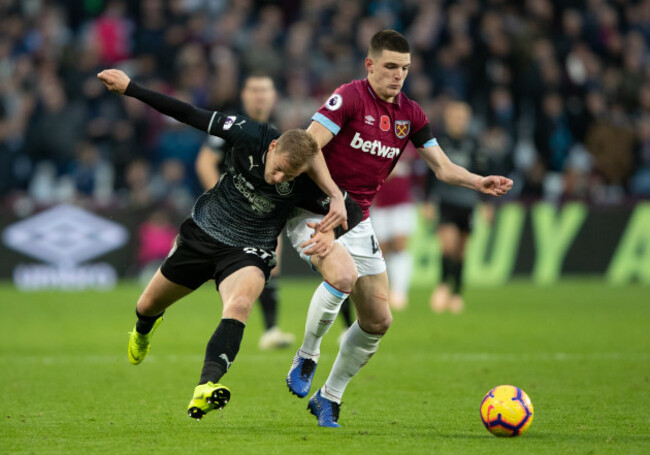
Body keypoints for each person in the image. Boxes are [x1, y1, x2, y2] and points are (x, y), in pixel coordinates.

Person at [97, 69, 357, 421]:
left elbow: (355, 213)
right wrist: (132, 89)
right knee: (146, 305)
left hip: (250, 249)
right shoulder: (250, 133)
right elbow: (189, 113)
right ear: (273, 146)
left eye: (288, 177)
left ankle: (206, 386)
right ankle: (144, 329)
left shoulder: (308, 185)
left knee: (238, 306)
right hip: (203, 232)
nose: (278, 179)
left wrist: (334, 222)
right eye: (278, 168)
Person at [284, 30, 513, 428]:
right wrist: (333, 196)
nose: (398, 75)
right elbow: (309, 144)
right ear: (370, 64)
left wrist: (478, 182)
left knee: (378, 321)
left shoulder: (411, 114)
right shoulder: (349, 97)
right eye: (390, 66)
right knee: (341, 277)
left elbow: (442, 167)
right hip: (315, 208)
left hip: (358, 218)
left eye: (404, 69)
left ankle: (329, 397)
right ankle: (307, 354)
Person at [194, 73, 295, 350]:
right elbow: (205, 162)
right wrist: (226, 199)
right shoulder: (233, 125)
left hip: (261, 211)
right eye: (254, 89)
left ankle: (271, 330)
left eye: (265, 90)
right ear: (244, 95)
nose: (260, 95)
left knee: (270, 259)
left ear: (273, 96)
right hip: (231, 211)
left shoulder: (275, 131)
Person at [424, 101, 483, 313]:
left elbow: (483, 173)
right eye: (455, 116)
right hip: (445, 200)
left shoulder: (474, 143)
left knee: (460, 251)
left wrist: (486, 204)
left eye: (462, 117)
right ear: (448, 118)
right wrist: (427, 200)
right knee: (448, 245)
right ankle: (442, 285)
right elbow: (429, 173)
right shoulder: (439, 142)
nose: (459, 121)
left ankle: (457, 293)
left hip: (468, 202)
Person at [370, 141, 419, 311]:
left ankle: (400, 292)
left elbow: (421, 169)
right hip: (380, 205)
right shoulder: (374, 144)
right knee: (382, 251)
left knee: (400, 245)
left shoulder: (410, 145)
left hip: (402, 204)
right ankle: (386, 290)